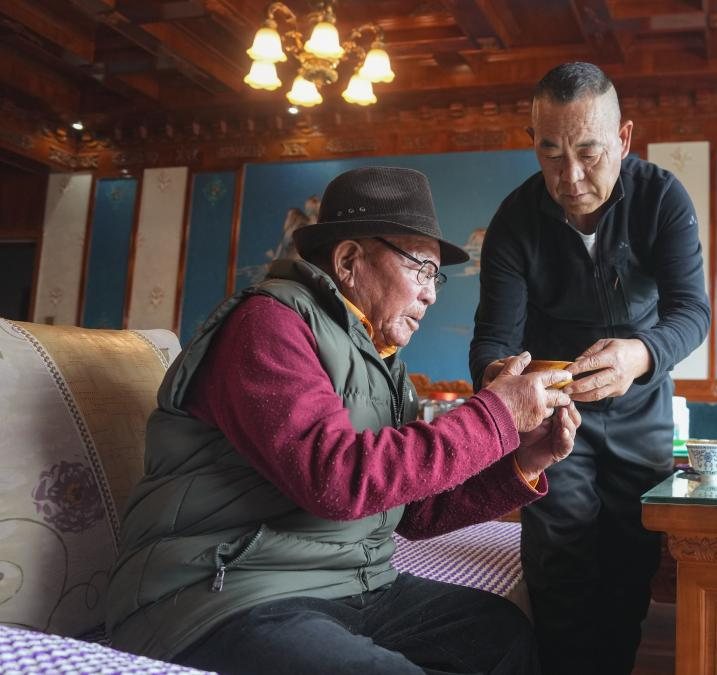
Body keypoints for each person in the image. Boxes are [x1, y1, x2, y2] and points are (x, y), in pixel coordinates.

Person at [106, 166, 582, 675]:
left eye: (435, 276)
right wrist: (496, 414)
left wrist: (523, 459)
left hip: (346, 586)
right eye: (421, 269)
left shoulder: (383, 362)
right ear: (349, 260)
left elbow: (413, 514)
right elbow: (337, 481)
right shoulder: (267, 325)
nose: (431, 294)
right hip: (223, 592)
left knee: (500, 636)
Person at [470, 62, 711, 675]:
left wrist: (640, 354)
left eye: (588, 152)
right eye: (550, 153)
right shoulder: (514, 221)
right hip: (555, 413)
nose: (570, 177)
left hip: (641, 404)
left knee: (631, 562)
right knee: (560, 561)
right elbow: (493, 337)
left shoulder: (662, 199)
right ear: (532, 140)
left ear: (623, 139)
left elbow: (692, 312)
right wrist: (500, 380)